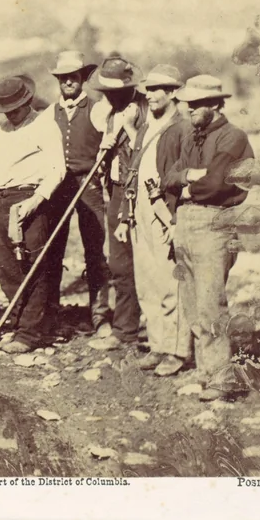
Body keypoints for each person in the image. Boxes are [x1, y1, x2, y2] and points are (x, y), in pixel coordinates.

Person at [161, 75, 256, 402]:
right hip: (186, 222)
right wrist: (188, 176)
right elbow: (169, 177)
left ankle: (224, 378)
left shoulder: (233, 138)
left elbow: (218, 183)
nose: (191, 109)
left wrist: (189, 183)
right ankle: (205, 374)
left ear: (216, 104)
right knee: (191, 304)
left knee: (210, 303)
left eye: (199, 104)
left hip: (215, 221)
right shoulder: (191, 137)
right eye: (189, 103)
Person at [0, 75, 66, 354]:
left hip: (30, 197)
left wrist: (36, 201)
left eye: (16, 109)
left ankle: (31, 333)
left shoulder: (45, 127)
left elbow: (58, 169)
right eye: (7, 110)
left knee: (32, 266)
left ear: (27, 102)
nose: (11, 115)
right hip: (1, 200)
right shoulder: (5, 129)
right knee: (7, 270)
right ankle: (20, 325)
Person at [114, 64, 190, 377]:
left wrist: (173, 218)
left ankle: (177, 350)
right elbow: (132, 170)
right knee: (146, 281)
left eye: (157, 90)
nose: (150, 95)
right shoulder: (147, 126)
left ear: (172, 93)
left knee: (168, 281)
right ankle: (158, 345)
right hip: (139, 209)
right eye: (148, 90)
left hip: (163, 210)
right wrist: (123, 215)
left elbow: (182, 177)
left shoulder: (181, 129)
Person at [44, 51, 112, 339]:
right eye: (63, 78)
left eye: (74, 77)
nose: (68, 82)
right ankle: (49, 313)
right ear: (58, 81)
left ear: (83, 79)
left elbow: (111, 143)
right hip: (58, 185)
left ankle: (100, 315)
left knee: (95, 252)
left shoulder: (98, 109)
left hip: (89, 185)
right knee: (52, 249)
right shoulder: (50, 113)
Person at [90, 56, 145, 352]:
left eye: (115, 91)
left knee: (138, 262)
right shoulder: (113, 113)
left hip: (138, 191)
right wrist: (106, 147)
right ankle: (126, 329)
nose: (110, 96)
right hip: (116, 190)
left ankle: (130, 329)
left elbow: (148, 155)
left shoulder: (143, 110)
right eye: (106, 92)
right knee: (119, 263)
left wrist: (130, 133)